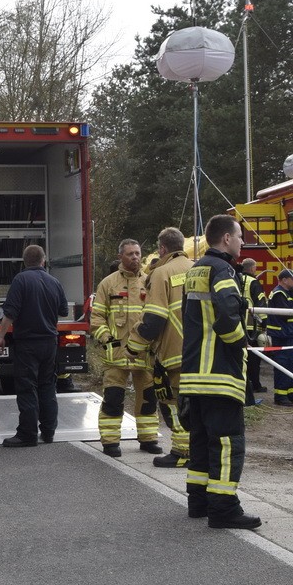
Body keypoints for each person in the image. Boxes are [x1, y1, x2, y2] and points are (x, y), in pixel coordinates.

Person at [180, 214, 260, 529]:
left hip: (194, 374)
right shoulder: (223, 269)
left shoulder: (195, 269)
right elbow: (227, 316)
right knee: (228, 442)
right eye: (239, 236)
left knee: (200, 441)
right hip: (220, 374)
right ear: (226, 239)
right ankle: (224, 509)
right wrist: (243, 343)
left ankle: (198, 502)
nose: (242, 242)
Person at [124, 227, 193, 468]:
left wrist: (133, 348)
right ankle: (198, 448)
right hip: (200, 352)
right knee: (196, 403)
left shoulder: (161, 273)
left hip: (174, 352)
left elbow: (153, 319)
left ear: (162, 248)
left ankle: (182, 451)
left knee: (173, 403)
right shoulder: (197, 267)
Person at [90, 239, 162, 457]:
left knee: (148, 398)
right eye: (130, 254)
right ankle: (110, 442)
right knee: (113, 398)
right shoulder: (108, 284)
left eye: (138, 253)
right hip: (116, 355)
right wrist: (108, 341)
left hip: (144, 353)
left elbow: (157, 316)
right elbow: (97, 318)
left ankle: (148, 439)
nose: (135, 258)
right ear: (120, 256)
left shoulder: (150, 282)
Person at [0, 244, 68, 447]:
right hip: (49, 343)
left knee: (27, 387)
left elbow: (10, 313)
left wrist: (0, 336)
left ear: (24, 261)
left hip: (27, 343)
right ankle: (49, 431)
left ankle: (27, 434)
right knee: (47, 386)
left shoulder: (21, 280)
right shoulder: (54, 282)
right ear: (43, 261)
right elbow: (63, 310)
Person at [240, 258, 268, 404]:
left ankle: (245, 386)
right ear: (252, 269)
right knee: (254, 359)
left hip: (238, 324)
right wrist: (264, 324)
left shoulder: (235, 278)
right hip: (252, 326)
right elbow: (261, 304)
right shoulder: (254, 283)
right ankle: (255, 385)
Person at [266, 268, 293, 407]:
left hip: (288, 335)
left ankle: (289, 393)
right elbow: (286, 313)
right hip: (281, 336)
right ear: (284, 280)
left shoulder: (288, 293)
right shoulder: (279, 293)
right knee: (282, 365)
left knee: (290, 365)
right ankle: (280, 396)